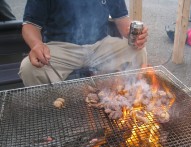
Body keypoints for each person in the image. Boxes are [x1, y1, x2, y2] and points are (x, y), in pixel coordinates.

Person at [19, 0, 148, 87]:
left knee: (137, 51)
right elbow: (30, 25)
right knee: (29, 68)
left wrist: (135, 35)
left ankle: (127, 97)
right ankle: (49, 109)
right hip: (61, 47)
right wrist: (36, 45)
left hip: (101, 44)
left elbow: (121, 19)